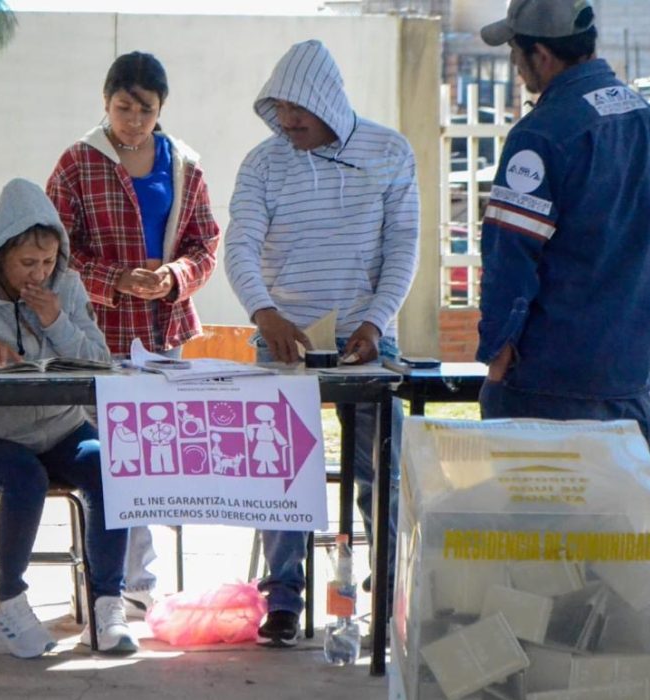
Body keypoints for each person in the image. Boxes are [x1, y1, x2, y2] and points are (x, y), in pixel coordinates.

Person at [474, 2, 650, 698]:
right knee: (638, 524)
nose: (517, 69)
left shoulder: (542, 133)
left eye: (517, 55)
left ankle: (540, 669)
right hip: (627, 363)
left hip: (548, 371)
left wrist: (498, 355)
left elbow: (512, 260)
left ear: (539, 56)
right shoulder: (646, 119)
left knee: (533, 531)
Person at [224, 39, 420, 646]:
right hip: (283, 340)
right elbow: (239, 248)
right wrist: (265, 315)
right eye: (278, 110)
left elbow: (403, 247)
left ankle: (388, 588)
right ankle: (282, 597)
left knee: (377, 469)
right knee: (280, 472)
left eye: (297, 112)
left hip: (365, 340)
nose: (286, 123)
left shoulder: (390, 152)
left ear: (326, 104)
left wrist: (376, 323)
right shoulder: (263, 163)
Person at [0, 178, 137, 658]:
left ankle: (106, 602)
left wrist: (58, 320)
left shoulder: (67, 288)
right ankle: (8, 599)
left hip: (57, 427)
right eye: (27, 263)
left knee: (109, 465)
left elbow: (101, 360)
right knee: (24, 475)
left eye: (49, 261)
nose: (40, 273)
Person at [46, 51, 220, 616]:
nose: (134, 119)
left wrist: (171, 278)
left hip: (163, 331)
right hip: (94, 337)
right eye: (124, 106)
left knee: (151, 460)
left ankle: (132, 585)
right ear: (105, 101)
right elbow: (54, 252)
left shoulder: (185, 164)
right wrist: (114, 280)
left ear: (161, 109)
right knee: (112, 462)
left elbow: (205, 245)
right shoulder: (76, 163)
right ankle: (114, 586)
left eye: (146, 109)